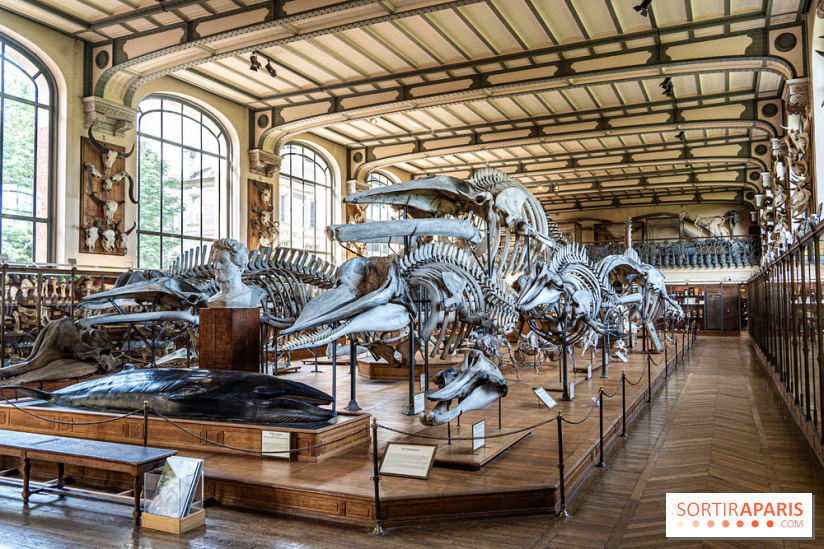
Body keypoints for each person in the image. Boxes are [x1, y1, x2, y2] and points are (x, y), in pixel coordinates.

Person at [208, 238, 259, 308]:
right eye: (214, 262)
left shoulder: (246, 295)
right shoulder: (214, 299)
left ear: (240, 266)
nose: (216, 267)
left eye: (223, 261)